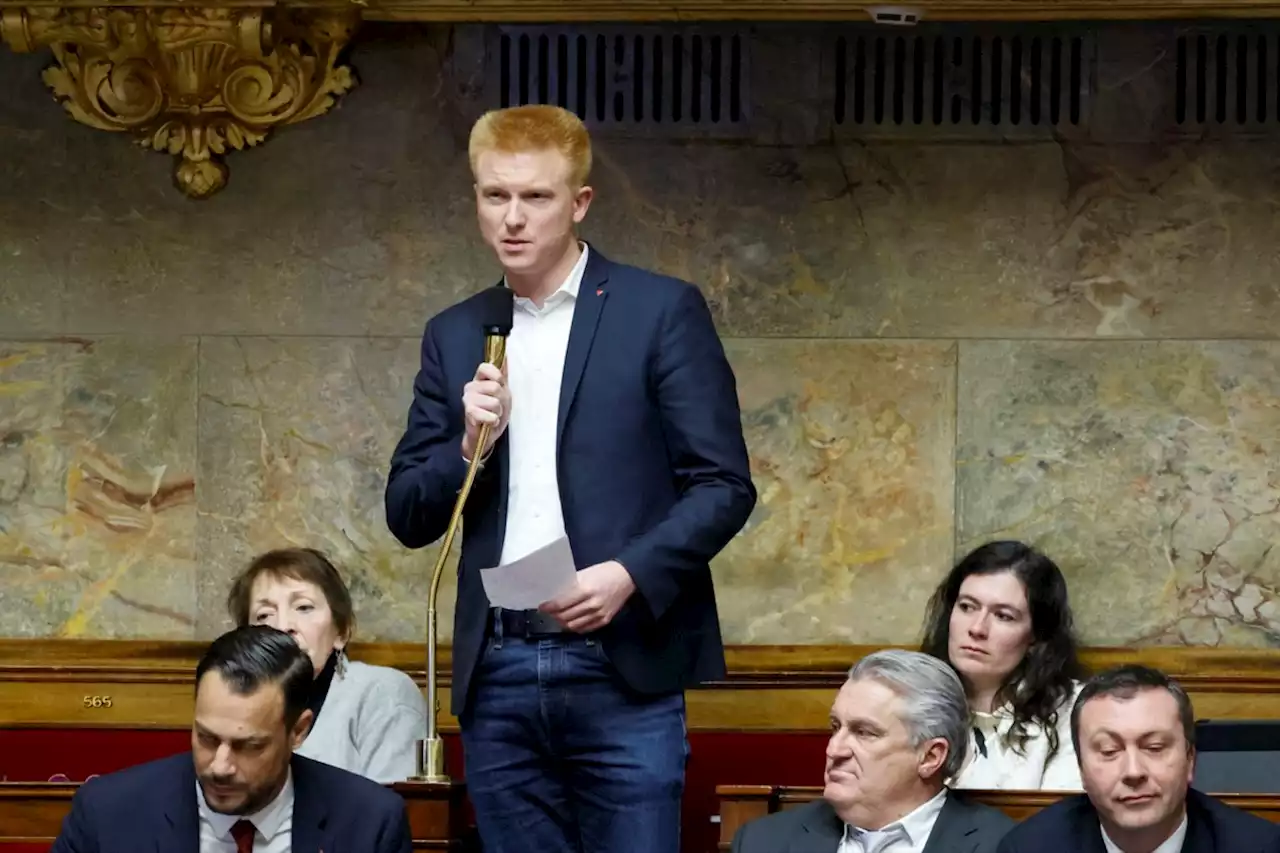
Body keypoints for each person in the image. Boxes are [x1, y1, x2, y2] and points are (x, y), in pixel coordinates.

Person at [385, 103, 756, 853]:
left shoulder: (658, 311)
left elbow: (723, 484)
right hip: (501, 661)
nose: (512, 219)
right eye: (495, 196)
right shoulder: (457, 332)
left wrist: (627, 572)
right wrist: (468, 444)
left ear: (580, 201)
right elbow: (407, 511)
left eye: (536, 197)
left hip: (621, 660)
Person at [50, 625, 412, 853]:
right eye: (207, 738)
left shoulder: (369, 825)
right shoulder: (108, 814)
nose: (219, 766)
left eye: (248, 746)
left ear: (298, 731)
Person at [731, 649, 1014, 853]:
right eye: (835, 727)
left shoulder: (1002, 845)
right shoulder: (764, 842)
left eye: (864, 733)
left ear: (930, 757)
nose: (834, 749)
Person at [996, 665, 1280, 853]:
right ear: (1081, 768)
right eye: (1109, 751)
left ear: (1190, 759)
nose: (1133, 772)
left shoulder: (1257, 847)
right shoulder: (1030, 848)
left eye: (1154, 747)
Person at [227, 547, 428, 782]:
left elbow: (392, 813)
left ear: (341, 632)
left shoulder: (383, 693)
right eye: (264, 615)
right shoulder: (233, 701)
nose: (283, 626)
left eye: (303, 607)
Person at [920, 540, 1087, 790]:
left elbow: (1059, 816)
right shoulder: (909, 700)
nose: (977, 628)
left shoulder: (1075, 710)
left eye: (1003, 616)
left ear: (1036, 636)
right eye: (967, 607)